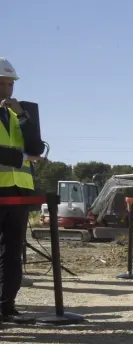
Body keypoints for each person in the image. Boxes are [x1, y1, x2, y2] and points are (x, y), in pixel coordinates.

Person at [0, 57, 44, 323]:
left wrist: (24, 117)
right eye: (3, 84)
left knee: (12, 252)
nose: (8, 89)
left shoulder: (19, 114)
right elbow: (26, 155)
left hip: (18, 192)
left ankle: (6, 306)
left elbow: (36, 148)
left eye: (10, 84)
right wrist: (23, 159)